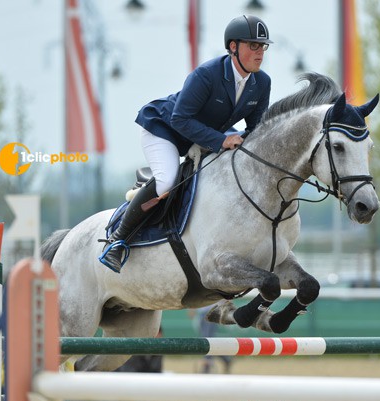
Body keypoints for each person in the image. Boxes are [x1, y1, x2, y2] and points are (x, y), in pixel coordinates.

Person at [100, 15, 274, 273]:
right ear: (233, 47)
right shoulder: (207, 74)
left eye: (262, 47)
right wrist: (222, 140)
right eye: (253, 46)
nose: (259, 53)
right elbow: (179, 118)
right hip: (165, 129)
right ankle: (118, 240)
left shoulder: (262, 83)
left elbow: (256, 129)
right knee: (166, 181)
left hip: (205, 134)